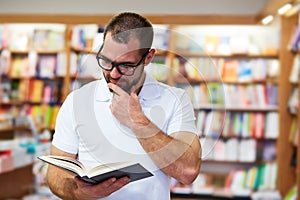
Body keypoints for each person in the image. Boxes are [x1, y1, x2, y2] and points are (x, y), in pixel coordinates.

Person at [46, 12, 201, 200]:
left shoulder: (175, 100)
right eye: (106, 61)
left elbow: (188, 171)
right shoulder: (76, 101)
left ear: (148, 57)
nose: (113, 74)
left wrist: (137, 122)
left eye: (126, 66)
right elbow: (55, 174)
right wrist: (79, 192)